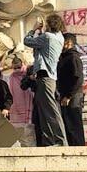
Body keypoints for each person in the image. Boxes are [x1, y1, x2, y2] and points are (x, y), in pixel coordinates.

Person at [23, 14, 68, 146]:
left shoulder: (47, 37)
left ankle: (60, 140)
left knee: (51, 111)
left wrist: (34, 29)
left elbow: (27, 41)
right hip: (48, 78)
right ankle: (49, 141)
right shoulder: (59, 37)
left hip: (45, 77)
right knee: (44, 111)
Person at [57, 33, 85, 146]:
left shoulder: (73, 57)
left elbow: (78, 78)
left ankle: (78, 149)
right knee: (68, 125)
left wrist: (68, 96)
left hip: (72, 97)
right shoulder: (64, 58)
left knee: (74, 125)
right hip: (65, 96)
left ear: (68, 43)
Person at [8, 56, 33, 125]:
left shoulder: (28, 73)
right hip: (18, 101)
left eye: (19, 67)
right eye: (15, 68)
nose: (17, 69)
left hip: (29, 98)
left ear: (22, 64)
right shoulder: (12, 77)